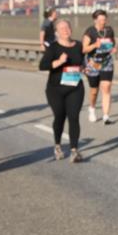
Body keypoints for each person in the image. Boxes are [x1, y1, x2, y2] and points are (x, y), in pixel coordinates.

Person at [39, 18, 85, 162]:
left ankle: (74, 151)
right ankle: (57, 145)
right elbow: (42, 65)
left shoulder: (79, 45)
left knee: (74, 117)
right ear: (57, 32)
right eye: (62, 28)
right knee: (60, 117)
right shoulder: (53, 47)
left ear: (71, 29)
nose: (65, 30)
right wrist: (59, 61)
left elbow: (82, 64)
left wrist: (86, 68)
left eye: (67, 27)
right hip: (55, 89)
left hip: (75, 87)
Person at [81, 9, 118, 124]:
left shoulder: (109, 30)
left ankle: (106, 116)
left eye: (104, 19)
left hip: (106, 61)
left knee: (106, 87)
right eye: (100, 20)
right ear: (95, 20)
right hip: (93, 63)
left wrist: (113, 49)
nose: (103, 22)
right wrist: (94, 45)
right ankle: (92, 108)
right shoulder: (90, 32)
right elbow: (84, 49)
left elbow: (112, 43)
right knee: (94, 90)